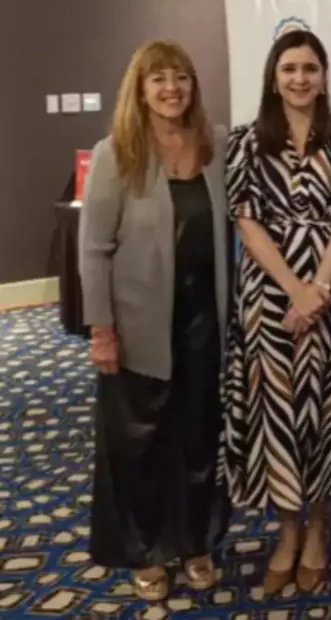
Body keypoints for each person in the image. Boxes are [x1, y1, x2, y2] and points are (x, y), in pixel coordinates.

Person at [222, 29, 331, 595]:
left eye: (310, 68)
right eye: (289, 68)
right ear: (273, 75)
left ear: (325, 75)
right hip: (268, 297)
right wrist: (295, 290)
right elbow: (246, 221)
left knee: (328, 413)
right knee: (278, 419)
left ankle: (319, 530)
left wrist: (321, 286)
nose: (300, 78)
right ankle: (287, 532)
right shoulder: (244, 141)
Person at [78, 40, 230, 601]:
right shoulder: (116, 153)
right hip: (137, 326)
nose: (172, 89)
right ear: (139, 89)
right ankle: (144, 551)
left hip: (202, 324)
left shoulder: (215, 146)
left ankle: (195, 542)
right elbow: (93, 249)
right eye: (159, 79)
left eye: (181, 78)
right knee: (138, 447)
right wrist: (101, 329)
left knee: (196, 441)